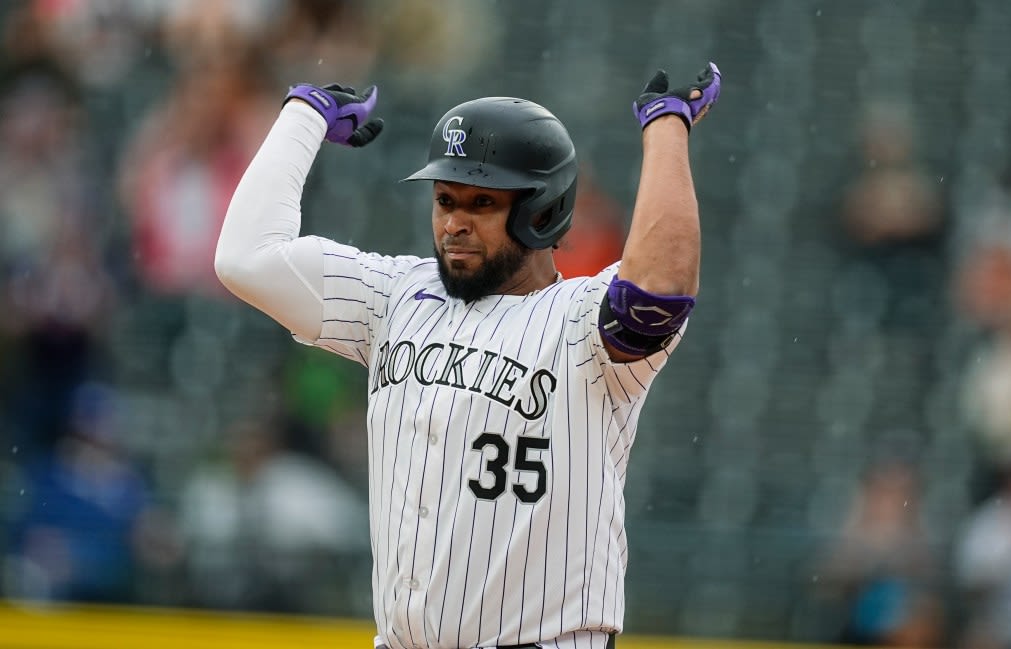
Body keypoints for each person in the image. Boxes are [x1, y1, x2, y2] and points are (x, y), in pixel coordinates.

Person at [215, 61, 721, 649]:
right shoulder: (393, 296)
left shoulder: (582, 322)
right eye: (444, 199)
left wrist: (666, 126)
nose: (454, 222)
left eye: (481, 202)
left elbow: (660, 288)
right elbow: (245, 259)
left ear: (542, 210)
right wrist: (303, 117)